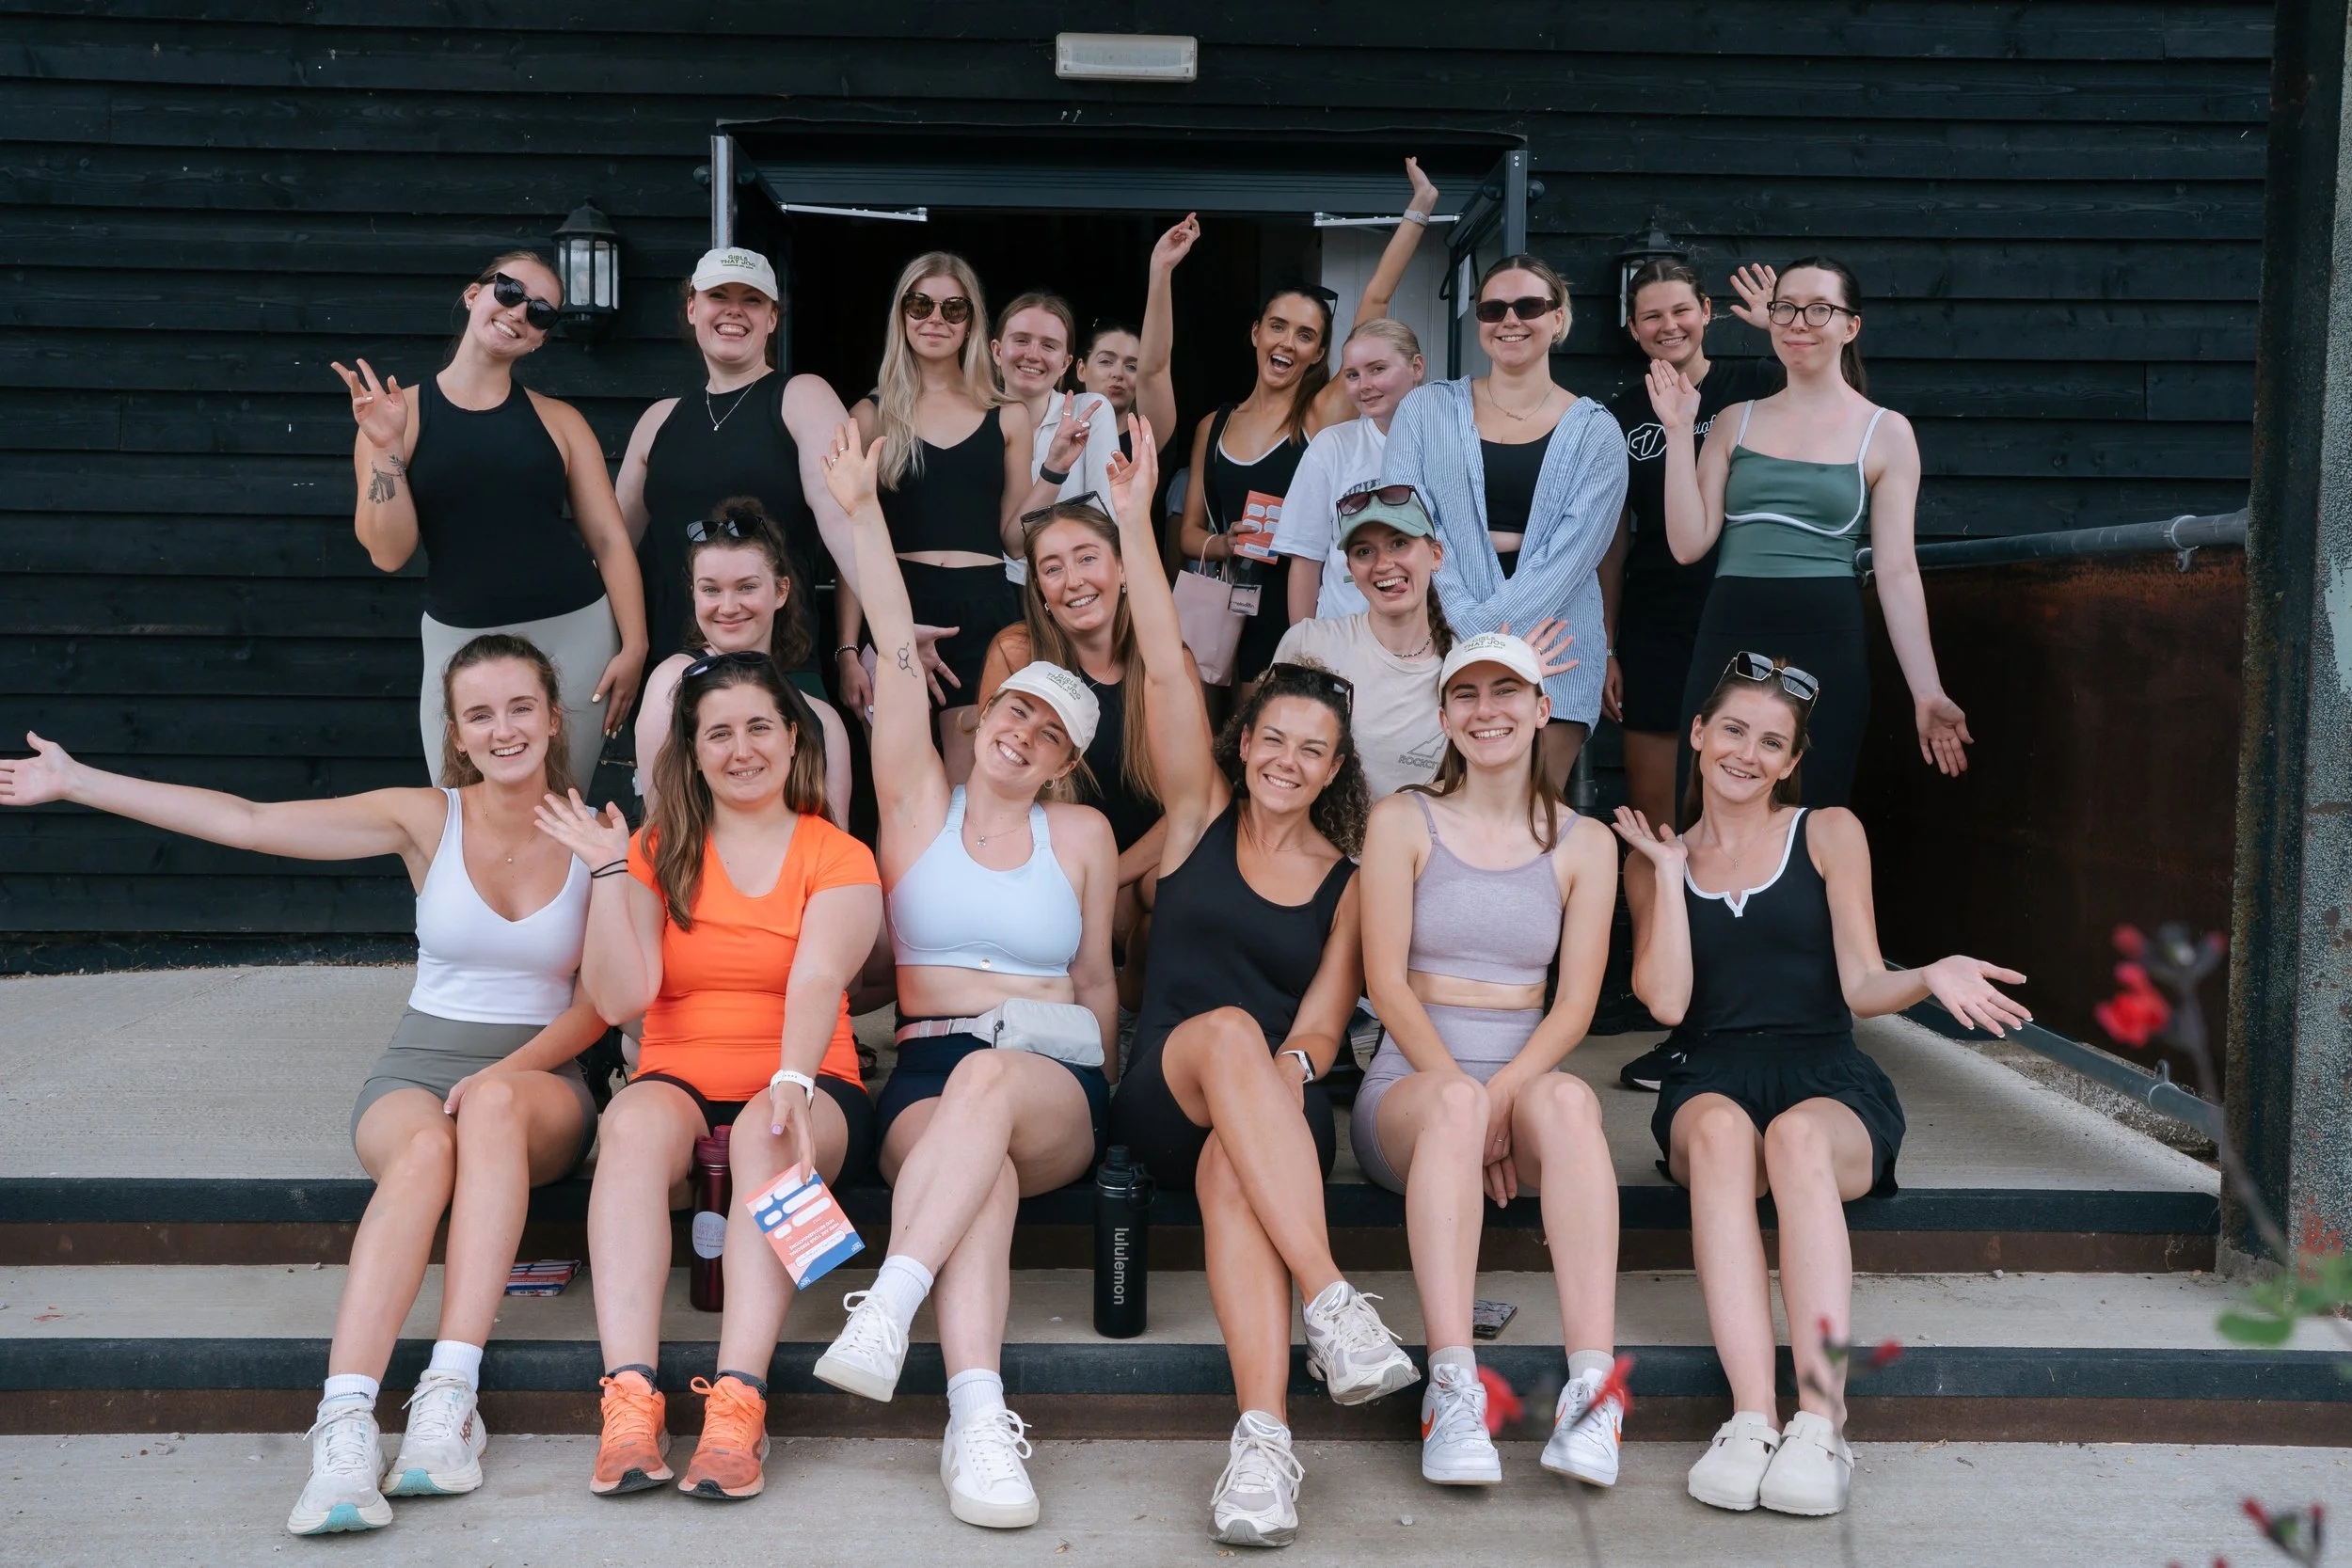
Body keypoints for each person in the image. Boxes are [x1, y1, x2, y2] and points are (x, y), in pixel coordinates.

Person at [1, 636, 607, 1536]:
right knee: (422, 1151)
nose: (504, 727)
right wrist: (81, 780)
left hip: (540, 1077)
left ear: (555, 717)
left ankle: (449, 1397)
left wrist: (501, 1071)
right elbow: (249, 819)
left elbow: (603, 1004)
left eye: (521, 707)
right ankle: (346, 1421)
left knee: (492, 1106)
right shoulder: (423, 816)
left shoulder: (596, 831)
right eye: (481, 714)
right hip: (418, 1063)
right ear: (457, 733)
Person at [1100, 417, 1420, 1548]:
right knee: (1234, 1028)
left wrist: (1281, 1082)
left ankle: (1263, 1446)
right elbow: (1157, 651)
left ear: (1337, 770)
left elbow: (1326, 1028)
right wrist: (1138, 522)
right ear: (1245, 743)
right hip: (1165, 1088)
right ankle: (1332, 1296)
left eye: (1311, 751)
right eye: (1271, 740)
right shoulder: (1198, 814)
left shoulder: (1350, 877)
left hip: (1270, 1114)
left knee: (1254, 1135)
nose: (1285, 761)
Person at [1614, 653, 2027, 1516]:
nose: (1747, 753)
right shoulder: (1657, 857)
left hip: (1826, 1073)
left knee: (1795, 1137)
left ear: (1792, 760)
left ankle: (1820, 1418)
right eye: (1733, 729)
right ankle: (1750, 1416)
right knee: (1730, 1137)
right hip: (1710, 1077)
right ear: (1697, 734)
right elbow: (1667, 1001)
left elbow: (1862, 987)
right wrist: (1664, 872)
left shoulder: (1829, 831)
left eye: (1772, 742)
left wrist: (1929, 973)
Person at [809, 420, 1119, 1532]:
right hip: (929, 1070)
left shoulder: (1079, 833)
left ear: (1064, 760)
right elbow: (895, 651)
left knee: (992, 1088)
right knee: (969, 1168)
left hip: (1050, 1078)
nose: (1024, 730)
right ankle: (977, 1416)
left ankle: (887, 1303)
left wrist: (1108, 1082)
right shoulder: (915, 813)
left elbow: (1094, 981)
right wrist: (861, 514)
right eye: (1015, 709)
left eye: (1050, 729)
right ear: (984, 715)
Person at [536, 649, 882, 1503]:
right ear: (691, 751)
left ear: (794, 739)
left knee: (768, 1128)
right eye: (717, 732)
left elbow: (816, 978)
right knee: (628, 1127)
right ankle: (628, 1399)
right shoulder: (657, 846)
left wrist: (794, 1079)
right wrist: (613, 869)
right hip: (677, 1071)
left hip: (808, 1079)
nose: (740, 748)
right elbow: (623, 997)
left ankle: (739, 1403)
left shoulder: (837, 853)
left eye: (759, 726)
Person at [1353, 630, 1622, 1492]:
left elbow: (1575, 1003)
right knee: (1456, 1110)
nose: (1487, 709)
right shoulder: (1403, 818)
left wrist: (1502, 1101)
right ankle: (1453, 1387)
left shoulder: (1586, 844)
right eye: (1466, 694)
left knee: (1575, 1103)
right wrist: (1471, 1103)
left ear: (1543, 710)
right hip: (1411, 1088)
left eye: (1507, 692)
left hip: (1521, 1083)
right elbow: (1386, 984)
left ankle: (1594, 1391)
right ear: (1443, 715)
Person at [1648, 257, 1971, 813]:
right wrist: (1677, 432)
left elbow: (1896, 571)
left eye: (1819, 309)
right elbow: (1687, 543)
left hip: (1827, 633)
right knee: (1706, 807)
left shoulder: (1886, 432)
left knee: (1809, 808)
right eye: (1786, 308)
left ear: (1851, 325)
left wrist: (1928, 690)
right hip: (1729, 630)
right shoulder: (1733, 420)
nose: (1799, 322)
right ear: (1770, 320)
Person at [336, 251, 647, 787]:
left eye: (542, 311)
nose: (520, 311)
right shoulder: (393, 416)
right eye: (509, 290)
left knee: (560, 810)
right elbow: (388, 553)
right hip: (458, 641)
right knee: (461, 814)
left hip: (576, 637)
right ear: (473, 294)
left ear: (540, 338)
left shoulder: (562, 421)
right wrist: (385, 445)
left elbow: (610, 539)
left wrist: (636, 645)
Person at [1176, 161, 1441, 689]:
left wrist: (1419, 211)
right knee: (1220, 748)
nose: (1286, 343)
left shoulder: (1319, 414)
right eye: (1277, 326)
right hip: (1228, 599)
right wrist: (1225, 544)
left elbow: (1373, 304)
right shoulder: (1214, 423)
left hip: (1291, 599)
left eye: (1304, 335)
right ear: (1255, 333)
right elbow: (1187, 534)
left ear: (1319, 351)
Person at [1383, 254, 1628, 795]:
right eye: (1494, 308)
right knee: (1433, 811)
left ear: (1559, 318)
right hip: (1436, 634)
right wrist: (1469, 631)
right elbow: (1407, 528)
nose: (1510, 319)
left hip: (1554, 642)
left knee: (1527, 812)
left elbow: (1573, 555)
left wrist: (1481, 636)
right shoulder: (1424, 411)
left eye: (1529, 306)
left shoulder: (1596, 432)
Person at [837, 253, 1065, 776]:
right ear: (902, 315)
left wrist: (1052, 471)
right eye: (920, 304)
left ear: (971, 323)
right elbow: (852, 543)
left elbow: (1012, 540)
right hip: (897, 604)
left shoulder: (1007, 414)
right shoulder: (869, 414)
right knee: (899, 789)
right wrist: (848, 648)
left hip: (984, 609)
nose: (935, 318)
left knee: (972, 787)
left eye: (952, 308)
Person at [615, 247, 861, 689]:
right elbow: (612, 551)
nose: (734, 310)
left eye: (752, 299)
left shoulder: (803, 397)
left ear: (772, 318)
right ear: (693, 308)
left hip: (778, 670)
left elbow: (849, 526)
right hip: (672, 675)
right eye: (719, 296)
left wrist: (892, 628)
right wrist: (625, 647)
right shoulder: (658, 420)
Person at [1603, 261, 1785, 832]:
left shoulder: (1758, 384)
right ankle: (1663, 917)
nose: (1668, 325)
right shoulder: (1621, 415)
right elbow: (1613, 538)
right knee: (1655, 812)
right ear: (1633, 328)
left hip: (1746, 609)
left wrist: (1777, 327)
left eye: (1681, 310)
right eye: (1650, 316)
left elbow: (1840, 392)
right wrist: (1608, 644)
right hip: (1656, 620)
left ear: (1706, 312)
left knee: (1744, 794)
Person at [633, 498, 853, 829]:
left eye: (746, 587)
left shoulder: (824, 720)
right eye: (711, 590)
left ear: (781, 591)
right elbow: (661, 828)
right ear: (693, 593)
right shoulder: (672, 682)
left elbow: (837, 845)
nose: (728, 606)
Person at [1276, 315, 1433, 625]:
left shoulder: (1453, 443)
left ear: (1417, 367)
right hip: (1342, 640)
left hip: (1434, 640)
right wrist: (1304, 650)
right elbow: (1306, 559)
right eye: (1352, 374)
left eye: (1377, 369)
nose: (1365, 385)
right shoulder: (1332, 446)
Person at [993, 292, 1121, 526]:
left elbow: (1104, 517)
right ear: (997, 351)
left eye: (1048, 345)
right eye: (1021, 340)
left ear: (1065, 364)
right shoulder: (974, 417)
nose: (1032, 355)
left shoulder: (1090, 411)